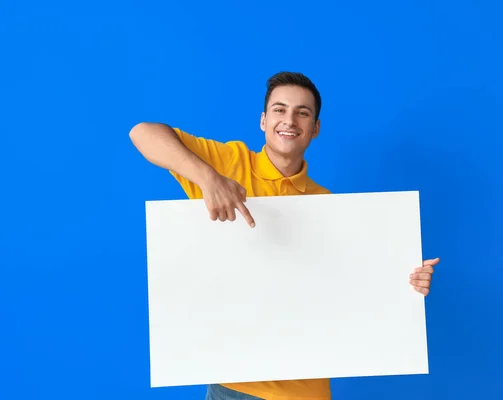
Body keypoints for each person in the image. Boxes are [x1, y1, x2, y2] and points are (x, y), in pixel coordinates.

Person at [129, 71, 440, 400]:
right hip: (232, 387)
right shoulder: (227, 164)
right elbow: (143, 133)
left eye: (302, 112)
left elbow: (357, 288)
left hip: (305, 391)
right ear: (263, 120)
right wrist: (209, 179)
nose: (289, 120)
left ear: (315, 128)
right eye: (279, 109)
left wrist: (409, 283)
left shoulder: (330, 207)